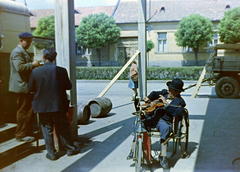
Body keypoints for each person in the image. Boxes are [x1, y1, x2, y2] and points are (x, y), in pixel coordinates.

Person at [28, 48, 80, 161]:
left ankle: (51, 153)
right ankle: (70, 149)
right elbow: (68, 86)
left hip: (42, 105)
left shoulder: (35, 71)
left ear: (43, 57)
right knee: (63, 126)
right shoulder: (61, 70)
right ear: (54, 58)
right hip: (58, 104)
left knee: (46, 128)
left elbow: (30, 88)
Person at [126, 78, 186, 169]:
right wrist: (149, 98)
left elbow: (177, 113)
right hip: (153, 118)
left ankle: (163, 156)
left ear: (177, 92)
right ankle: (133, 149)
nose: (168, 91)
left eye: (171, 90)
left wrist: (166, 104)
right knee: (139, 122)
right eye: (169, 89)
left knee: (165, 128)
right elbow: (154, 93)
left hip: (165, 121)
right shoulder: (165, 93)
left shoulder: (180, 102)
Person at [9, 32, 40, 142]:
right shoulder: (17, 52)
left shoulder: (22, 52)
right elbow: (20, 68)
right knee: (23, 111)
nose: (29, 44)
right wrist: (33, 65)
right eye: (28, 41)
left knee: (28, 110)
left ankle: (26, 132)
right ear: (21, 40)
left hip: (24, 86)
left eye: (31, 42)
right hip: (21, 87)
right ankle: (21, 134)